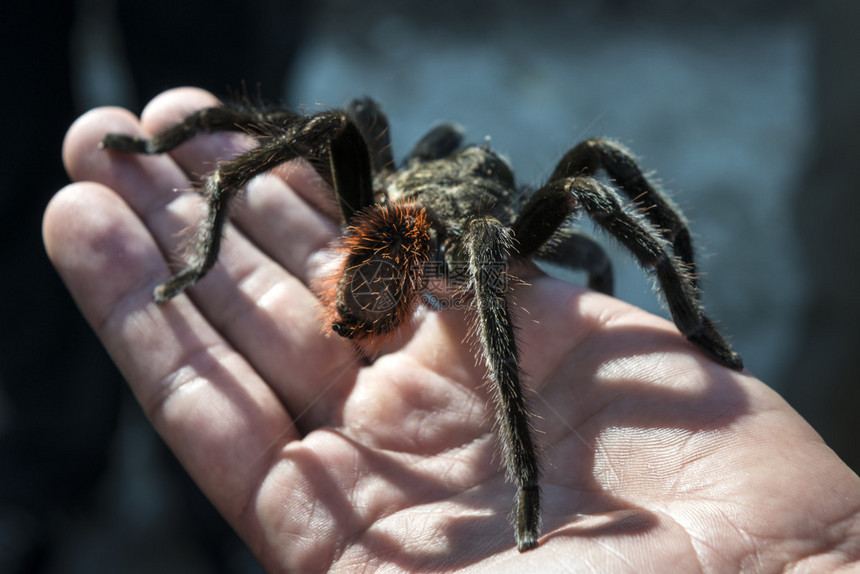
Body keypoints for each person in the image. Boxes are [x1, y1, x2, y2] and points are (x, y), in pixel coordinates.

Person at [43, 87, 860, 572]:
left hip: (389, 222)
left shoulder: (395, 183)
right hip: (407, 247)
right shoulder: (494, 229)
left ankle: (186, 190)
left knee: (333, 124)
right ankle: (541, 470)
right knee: (594, 166)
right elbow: (588, 235)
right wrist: (686, 317)